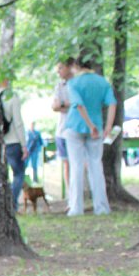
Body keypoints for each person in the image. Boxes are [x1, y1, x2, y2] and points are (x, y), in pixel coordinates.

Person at [64, 56, 117, 217]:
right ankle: (101, 207)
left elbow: (78, 105)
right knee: (96, 166)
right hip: (97, 127)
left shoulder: (73, 83)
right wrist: (107, 126)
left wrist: (89, 125)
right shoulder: (102, 82)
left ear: (78, 66)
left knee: (76, 166)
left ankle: (76, 208)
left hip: (75, 126)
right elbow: (112, 103)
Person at [0, 72, 29, 211]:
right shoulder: (12, 97)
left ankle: (5, 204)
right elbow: (18, 122)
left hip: (1, 143)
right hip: (14, 141)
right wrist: (24, 145)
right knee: (19, 174)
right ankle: (12, 203)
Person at [51, 57, 76, 187]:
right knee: (66, 164)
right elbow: (54, 106)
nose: (58, 71)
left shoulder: (78, 84)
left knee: (78, 163)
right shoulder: (60, 86)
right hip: (62, 130)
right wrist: (64, 104)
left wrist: (63, 104)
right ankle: (70, 196)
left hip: (76, 129)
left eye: (61, 67)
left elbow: (78, 105)